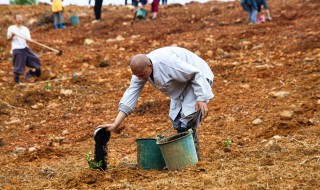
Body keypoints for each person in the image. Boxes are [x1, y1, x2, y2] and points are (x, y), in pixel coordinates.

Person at [97, 47, 214, 163]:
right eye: (137, 76)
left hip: (199, 77)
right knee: (177, 121)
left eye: (142, 75)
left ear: (150, 66)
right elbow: (130, 96)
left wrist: (201, 98)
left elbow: (195, 73)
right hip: (181, 84)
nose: (140, 78)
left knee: (187, 119)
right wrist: (116, 123)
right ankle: (186, 159)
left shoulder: (167, 63)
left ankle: (194, 161)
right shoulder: (140, 72)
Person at [7, 15, 41, 84]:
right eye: (18, 18)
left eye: (21, 18)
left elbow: (28, 38)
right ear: (14, 20)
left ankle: (33, 73)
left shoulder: (25, 29)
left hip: (25, 47)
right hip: (16, 48)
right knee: (18, 63)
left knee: (36, 59)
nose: (20, 19)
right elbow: (8, 39)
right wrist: (12, 36)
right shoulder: (11, 28)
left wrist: (31, 40)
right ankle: (16, 80)